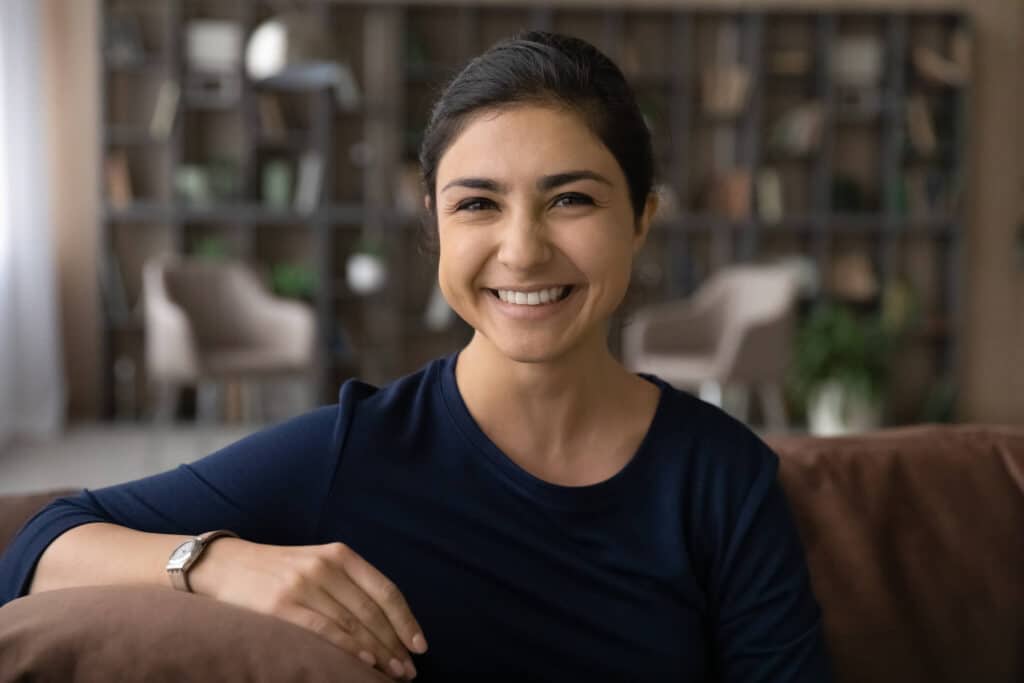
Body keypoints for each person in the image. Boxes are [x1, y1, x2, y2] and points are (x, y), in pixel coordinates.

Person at [0, 31, 831, 681]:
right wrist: (219, 563)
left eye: (570, 198)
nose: (522, 250)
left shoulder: (725, 477)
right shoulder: (352, 452)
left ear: (642, 219)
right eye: (477, 204)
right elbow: (40, 545)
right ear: (435, 225)